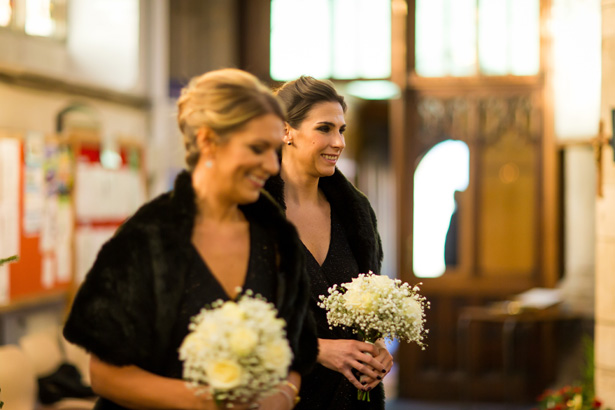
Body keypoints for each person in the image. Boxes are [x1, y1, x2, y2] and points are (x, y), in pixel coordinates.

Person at [63, 69, 317, 410]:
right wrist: (212, 402)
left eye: (274, 151)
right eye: (257, 148)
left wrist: (283, 394)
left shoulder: (278, 238)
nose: (272, 166)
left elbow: (296, 354)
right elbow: (104, 374)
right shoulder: (146, 237)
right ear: (208, 141)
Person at [265, 76, 393, 410]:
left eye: (342, 130)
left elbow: (372, 301)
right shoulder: (252, 212)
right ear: (285, 131)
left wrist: (376, 347)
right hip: (281, 395)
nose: (338, 142)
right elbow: (229, 318)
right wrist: (318, 350)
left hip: (352, 397)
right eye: (324, 128)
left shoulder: (356, 214)